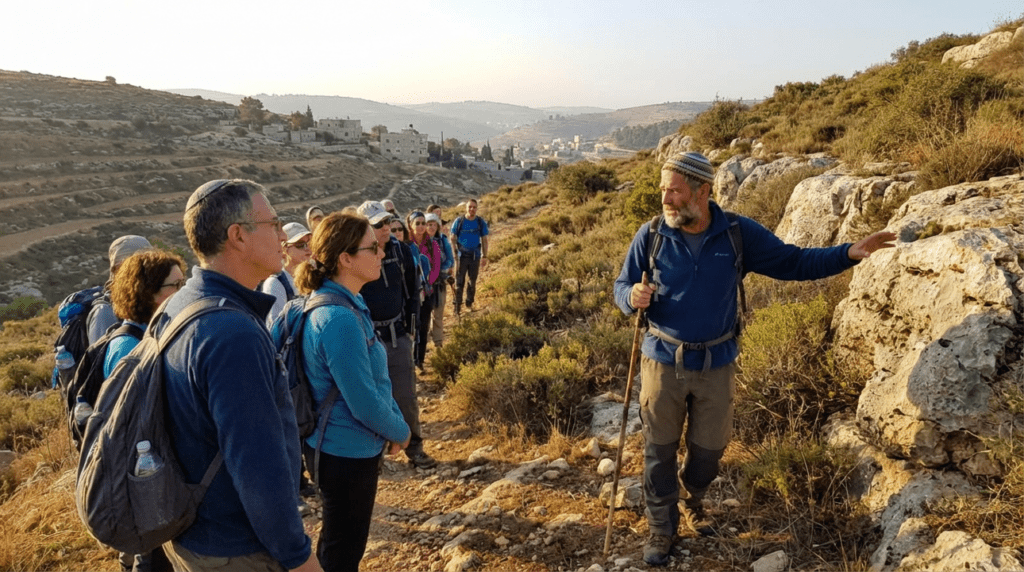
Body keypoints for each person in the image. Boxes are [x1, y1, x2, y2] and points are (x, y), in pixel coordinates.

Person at [613, 152, 897, 566]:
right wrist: (630, 297)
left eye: (673, 190)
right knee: (658, 450)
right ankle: (662, 527)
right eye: (663, 190)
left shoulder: (736, 234)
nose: (666, 199)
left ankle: (693, 498)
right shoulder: (652, 234)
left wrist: (847, 253)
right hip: (662, 361)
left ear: (702, 191)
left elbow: (794, 261)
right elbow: (622, 284)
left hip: (717, 363)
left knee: (708, 452)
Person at [158, 179, 320, 572]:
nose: (283, 235)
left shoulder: (181, 304)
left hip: (196, 535)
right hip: (238, 547)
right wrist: (299, 556)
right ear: (238, 236)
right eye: (274, 223)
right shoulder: (233, 334)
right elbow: (257, 466)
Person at [290, 211, 411, 571]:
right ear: (345, 258)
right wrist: (400, 431)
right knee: (343, 549)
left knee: (340, 541)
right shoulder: (339, 318)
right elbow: (362, 400)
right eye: (372, 248)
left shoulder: (346, 303)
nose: (382, 253)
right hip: (343, 451)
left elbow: (371, 383)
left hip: (344, 446)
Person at [104, 249, 186, 572]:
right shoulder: (128, 346)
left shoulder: (152, 336)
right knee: (150, 560)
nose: (183, 292)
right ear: (149, 293)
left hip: (155, 473)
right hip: (142, 476)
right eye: (175, 286)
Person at [356, 202, 437, 470]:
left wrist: (410, 329)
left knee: (406, 396)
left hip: (397, 335)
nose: (386, 228)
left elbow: (413, 291)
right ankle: (374, 458)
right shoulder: (356, 256)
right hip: (368, 339)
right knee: (371, 399)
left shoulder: (401, 252)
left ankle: (415, 449)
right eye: (378, 225)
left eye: (387, 222)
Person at [87, 235, 153, 345]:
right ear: (117, 269)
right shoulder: (105, 312)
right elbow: (101, 359)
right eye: (138, 265)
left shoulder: (150, 302)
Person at [261, 222, 312, 327]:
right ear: (284, 249)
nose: (307, 249)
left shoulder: (313, 278)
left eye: (309, 244)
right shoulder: (275, 283)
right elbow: (276, 329)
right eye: (300, 245)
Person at [408, 211, 440, 370]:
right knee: (412, 327)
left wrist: (427, 283)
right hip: (412, 293)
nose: (421, 226)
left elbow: (436, 268)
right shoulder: (406, 246)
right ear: (411, 226)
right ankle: (409, 359)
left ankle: (419, 360)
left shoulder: (432, 244)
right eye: (418, 223)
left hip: (427, 292)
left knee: (423, 326)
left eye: (423, 223)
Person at [449, 198, 489, 316]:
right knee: (459, 281)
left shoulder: (480, 222)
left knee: (472, 281)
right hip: (461, 256)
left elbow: (484, 239)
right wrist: (454, 253)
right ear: (466, 208)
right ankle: (457, 306)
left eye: (474, 207)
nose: (472, 209)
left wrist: (484, 256)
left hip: (475, 256)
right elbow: (452, 237)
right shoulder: (459, 221)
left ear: (477, 208)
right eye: (470, 207)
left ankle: (469, 303)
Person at [425, 207, 454, 347]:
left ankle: (437, 341)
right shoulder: (420, 242)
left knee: (438, 313)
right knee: (425, 314)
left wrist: (442, 270)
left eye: (433, 224)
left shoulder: (442, 240)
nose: (431, 227)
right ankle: (423, 344)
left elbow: (450, 259)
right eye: (428, 224)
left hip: (440, 281)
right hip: (425, 283)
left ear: (437, 226)